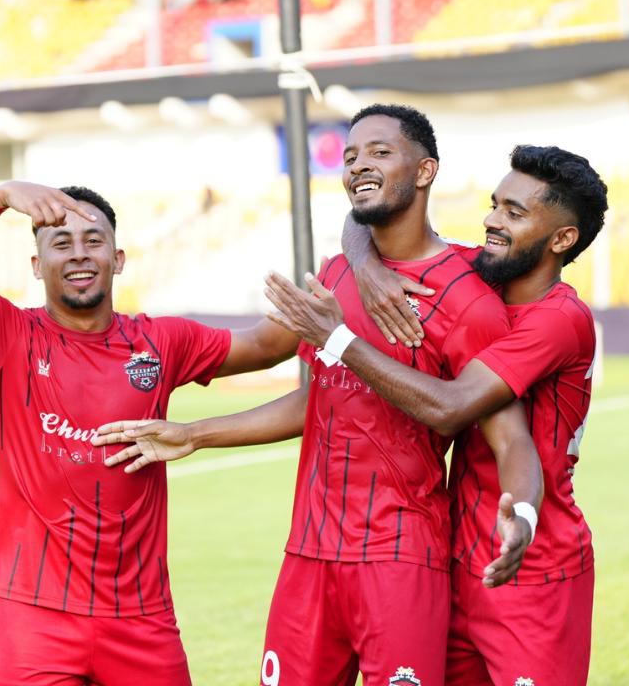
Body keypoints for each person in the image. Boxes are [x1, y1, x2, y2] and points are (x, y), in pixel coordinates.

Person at [93, 105, 541, 686]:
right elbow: (320, 400)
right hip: (308, 553)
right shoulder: (336, 272)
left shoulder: (469, 297)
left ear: (426, 171)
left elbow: (510, 436)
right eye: (350, 156)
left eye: (380, 152)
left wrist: (522, 512)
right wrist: (194, 434)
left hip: (399, 556)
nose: (358, 165)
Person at [0, 181, 298, 686]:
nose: (78, 254)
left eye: (93, 240)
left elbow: (266, 345)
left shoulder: (161, 341)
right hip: (35, 615)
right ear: (35, 264)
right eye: (60, 243)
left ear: (118, 258)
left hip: (141, 615)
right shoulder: (4, 334)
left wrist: (350, 278)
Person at [263, 145, 608, 686]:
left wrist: (337, 337)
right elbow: (363, 221)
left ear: (561, 239)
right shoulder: (482, 271)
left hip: (531, 562)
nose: (493, 220)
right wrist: (367, 268)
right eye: (495, 204)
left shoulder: (559, 319)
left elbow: (451, 410)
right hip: (455, 559)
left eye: (514, 214)